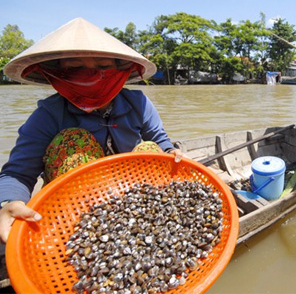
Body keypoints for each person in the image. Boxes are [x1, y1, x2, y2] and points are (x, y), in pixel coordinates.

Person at [0, 18, 184, 243]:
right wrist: (9, 202)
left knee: (150, 149)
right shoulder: (48, 113)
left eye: (104, 67)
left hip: (130, 195)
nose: (90, 75)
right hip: (74, 205)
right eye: (76, 68)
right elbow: (18, 173)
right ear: (59, 73)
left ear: (119, 70)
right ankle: (78, 231)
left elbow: (160, 139)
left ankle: (147, 225)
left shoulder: (139, 103)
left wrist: (170, 151)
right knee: (74, 141)